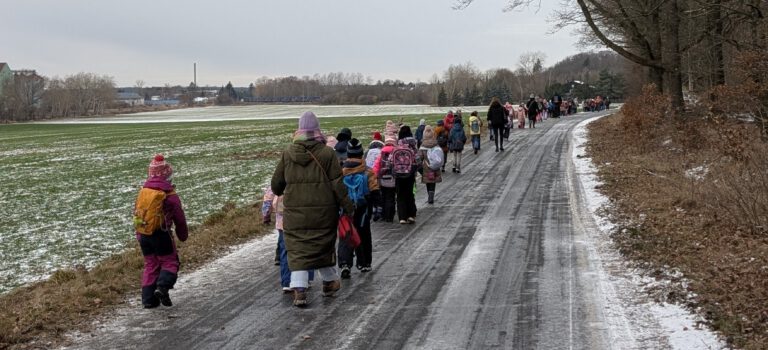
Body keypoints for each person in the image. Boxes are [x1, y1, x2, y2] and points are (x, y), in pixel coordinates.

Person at [271, 111, 354, 307]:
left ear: (299, 129)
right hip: (323, 213)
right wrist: (349, 206)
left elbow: (276, 186)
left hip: (295, 214)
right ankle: (329, 282)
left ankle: (299, 291)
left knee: (299, 250)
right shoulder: (327, 153)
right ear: (317, 129)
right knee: (322, 246)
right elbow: (338, 185)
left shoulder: (288, 153)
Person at [135, 154, 188, 309]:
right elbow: (180, 218)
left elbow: (137, 214)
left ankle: (148, 300)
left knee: (151, 264)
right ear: (167, 175)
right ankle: (163, 287)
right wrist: (182, 235)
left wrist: (140, 234)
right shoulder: (169, 195)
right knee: (170, 262)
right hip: (161, 234)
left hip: (144, 234)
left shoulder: (143, 192)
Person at [338, 138, 380, 278]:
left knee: (346, 234)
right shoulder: (368, 171)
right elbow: (375, 191)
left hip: (345, 208)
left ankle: (345, 263)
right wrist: (378, 208)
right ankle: (364, 263)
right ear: (362, 153)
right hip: (363, 208)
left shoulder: (341, 172)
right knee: (364, 234)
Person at [263, 188, 315, 292]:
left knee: (285, 251)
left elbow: (269, 195)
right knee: (305, 247)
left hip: (283, 221)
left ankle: (287, 281)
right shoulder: (306, 174)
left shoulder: (280, 175)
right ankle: (306, 277)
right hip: (304, 219)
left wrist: (266, 214)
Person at [373, 121, 399, 222]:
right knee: (391, 197)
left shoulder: (382, 152)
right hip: (393, 178)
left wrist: (375, 176)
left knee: (384, 196)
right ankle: (390, 215)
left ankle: (384, 215)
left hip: (383, 178)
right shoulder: (396, 152)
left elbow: (376, 166)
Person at [395, 125, 418, 224]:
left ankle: (402, 217)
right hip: (410, 173)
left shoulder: (397, 146)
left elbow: (391, 161)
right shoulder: (413, 146)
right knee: (409, 193)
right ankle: (411, 215)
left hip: (399, 174)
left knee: (400, 195)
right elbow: (417, 159)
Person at [418, 126, 443, 204]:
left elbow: (420, 158)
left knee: (428, 181)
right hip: (434, 166)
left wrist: (419, 168)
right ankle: (431, 196)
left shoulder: (423, 146)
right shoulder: (436, 144)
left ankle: (429, 195)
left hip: (426, 166)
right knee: (433, 182)